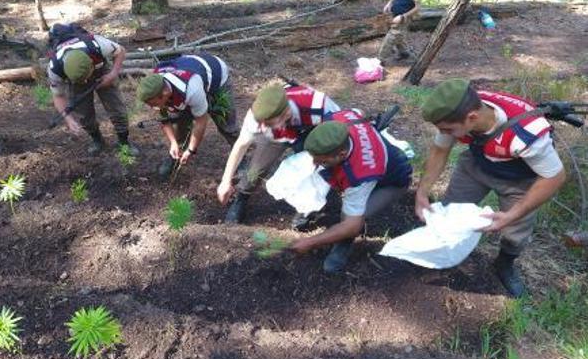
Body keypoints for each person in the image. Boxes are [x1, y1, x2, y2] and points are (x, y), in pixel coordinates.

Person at [417, 78, 566, 297]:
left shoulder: (527, 134)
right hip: (477, 165)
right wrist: (422, 191)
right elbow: (440, 151)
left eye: (448, 130)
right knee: (451, 210)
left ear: (472, 118)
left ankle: (504, 264)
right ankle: (444, 249)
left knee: (515, 230)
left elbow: (554, 177)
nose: (445, 133)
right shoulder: (458, 110)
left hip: (519, 179)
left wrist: (512, 214)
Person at [289, 110, 413, 274]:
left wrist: (310, 242)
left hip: (391, 182)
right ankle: (310, 207)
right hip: (372, 164)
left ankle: (343, 245)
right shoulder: (337, 118)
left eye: (323, 160)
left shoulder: (360, 175)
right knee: (320, 174)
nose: (315, 163)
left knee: (353, 217)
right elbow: (358, 112)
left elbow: (351, 225)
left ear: (341, 154)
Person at [218, 83, 340, 228]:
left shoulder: (319, 107)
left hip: (312, 133)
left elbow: (339, 133)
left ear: (286, 113)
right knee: (256, 169)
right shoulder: (259, 115)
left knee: (315, 168)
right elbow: (241, 145)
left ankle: (307, 208)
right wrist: (226, 181)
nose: (261, 128)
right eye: (261, 123)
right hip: (277, 136)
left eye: (268, 123)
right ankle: (242, 197)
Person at [136, 53, 238, 179]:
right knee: (182, 122)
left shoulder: (191, 89)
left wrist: (191, 150)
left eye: (153, 104)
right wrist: (173, 143)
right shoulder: (154, 86)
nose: (152, 107)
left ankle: (241, 157)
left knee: (226, 124)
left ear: (165, 93)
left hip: (216, 77)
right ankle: (176, 153)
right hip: (190, 77)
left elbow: (201, 121)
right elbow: (164, 119)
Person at [47, 23, 137, 155]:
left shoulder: (96, 45)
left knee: (116, 107)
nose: (85, 82)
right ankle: (97, 141)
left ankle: (124, 142)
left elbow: (120, 51)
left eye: (85, 78)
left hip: (100, 70)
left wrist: (112, 75)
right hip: (75, 79)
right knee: (84, 114)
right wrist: (69, 120)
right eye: (82, 80)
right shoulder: (55, 68)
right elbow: (58, 96)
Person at [378, 0, 419, 64]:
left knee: (392, 37)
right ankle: (404, 53)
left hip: (403, 19)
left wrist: (403, 16)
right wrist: (389, 3)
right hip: (394, 15)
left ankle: (380, 60)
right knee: (398, 36)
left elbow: (417, 8)